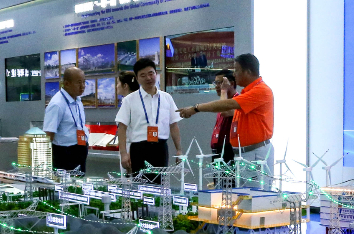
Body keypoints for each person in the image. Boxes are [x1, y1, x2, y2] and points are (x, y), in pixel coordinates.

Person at [179, 54, 274, 187]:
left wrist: (196, 108)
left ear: (248, 72)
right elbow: (227, 111)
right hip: (243, 155)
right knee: (242, 199)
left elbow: (226, 106)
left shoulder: (260, 91)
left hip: (255, 155)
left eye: (237, 70)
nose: (234, 74)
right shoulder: (248, 94)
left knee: (255, 199)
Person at [116, 58, 181, 179]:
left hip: (160, 148)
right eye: (143, 75)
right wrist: (124, 154)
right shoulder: (129, 100)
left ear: (156, 74)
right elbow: (122, 128)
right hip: (139, 149)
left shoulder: (167, 98)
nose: (148, 78)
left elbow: (173, 125)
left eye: (151, 73)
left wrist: (179, 150)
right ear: (137, 78)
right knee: (140, 186)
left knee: (160, 185)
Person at [44, 66, 89, 173]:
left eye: (84, 82)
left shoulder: (78, 100)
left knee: (78, 185)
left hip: (80, 149)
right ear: (67, 83)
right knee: (65, 186)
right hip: (64, 154)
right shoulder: (57, 104)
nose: (82, 86)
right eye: (78, 82)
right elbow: (48, 135)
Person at [209, 69, 237, 165]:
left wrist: (224, 90)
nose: (216, 86)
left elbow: (225, 111)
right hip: (218, 151)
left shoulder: (237, 100)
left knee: (227, 180)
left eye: (220, 83)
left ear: (231, 83)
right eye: (215, 83)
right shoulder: (223, 100)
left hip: (229, 151)